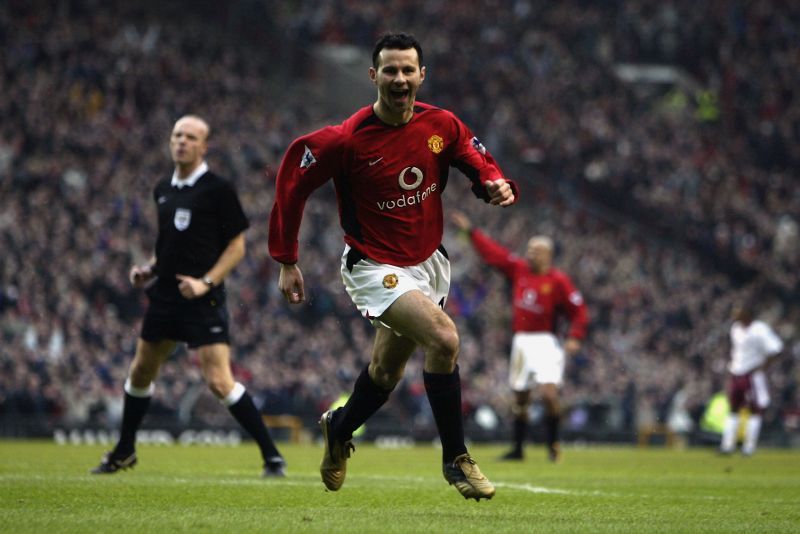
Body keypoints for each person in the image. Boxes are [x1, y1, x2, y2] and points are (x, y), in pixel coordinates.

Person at [268, 33, 517, 501]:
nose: (399, 79)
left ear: (422, 75)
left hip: (428, 263)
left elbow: (473, 157)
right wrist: (286, 258)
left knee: (385, 371)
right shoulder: (346, 140)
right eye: (390, 70)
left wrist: (494, 182)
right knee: (444, 338)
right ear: (373, 76)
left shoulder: (441, 124)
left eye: (408, 70)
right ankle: (456, 459)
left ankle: (340, 427)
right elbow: (292, 181)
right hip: (373, 265)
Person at [92, 115, 286, 477]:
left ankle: (272, 456)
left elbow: (237, 247)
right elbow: (169, 243)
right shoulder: (163, 188)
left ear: (203, 146)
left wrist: (206, 283)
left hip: (202, 297)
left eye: (191, 137)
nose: (182, 141)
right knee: (140, 371)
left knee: (218, 381)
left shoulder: (218, 189)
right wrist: (150, 268)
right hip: (165, 295)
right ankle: (125, 449)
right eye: (177, 135)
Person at [451, 211, 588, 462]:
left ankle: (553, 444)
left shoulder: (558, 281)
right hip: (522, 341)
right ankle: (518, 449)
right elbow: (494, 254)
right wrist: (471, 232)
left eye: (535, 251)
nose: (530, 254)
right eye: (529, 249)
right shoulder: (519, 270)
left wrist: (575, 336)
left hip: (547, 341)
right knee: (521, 397)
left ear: (548, 255)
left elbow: (578, 311)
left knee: (548, 394)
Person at [719, 301, 783, 456]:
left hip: (752, 374)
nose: (734, 314)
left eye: (738, 311)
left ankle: (748, 447)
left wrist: (763, 367)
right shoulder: (735, 329)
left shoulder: (759, 329)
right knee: (733, 408)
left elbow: (776, 349)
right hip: (736, 373)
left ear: (747, 313)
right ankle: (727, 446)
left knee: (755, 409)